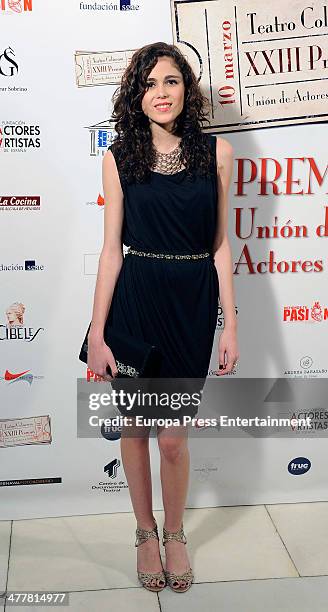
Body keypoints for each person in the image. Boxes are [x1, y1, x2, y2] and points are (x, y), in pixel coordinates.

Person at [87, 42, 239, 594]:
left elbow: (221, 244)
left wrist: (232, 323)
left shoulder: (216, 153)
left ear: (186, 89)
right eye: (150, 84)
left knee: (173, 440)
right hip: (137, 298)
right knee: (136, 428)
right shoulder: (119, 156)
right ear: (138, 94)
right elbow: (110, 251)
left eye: (171, 81)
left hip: (191, 303)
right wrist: (97, 332)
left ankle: (176, 533)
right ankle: (145, 533)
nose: (161, 93)